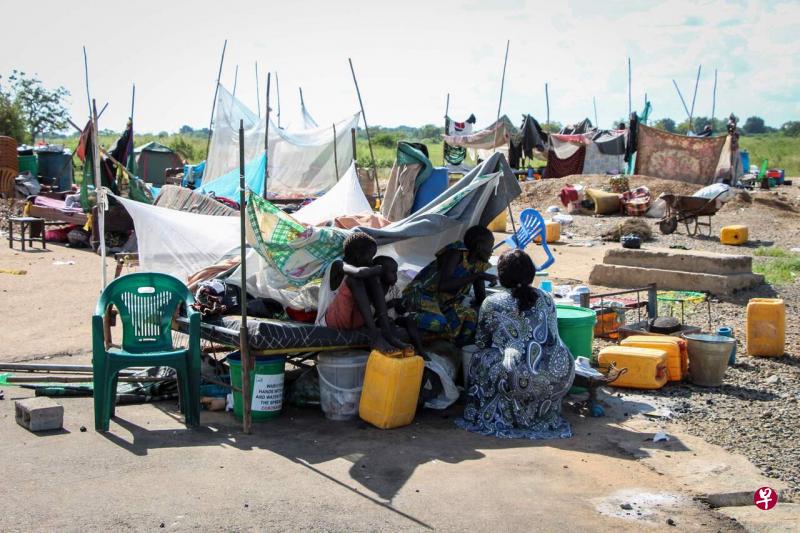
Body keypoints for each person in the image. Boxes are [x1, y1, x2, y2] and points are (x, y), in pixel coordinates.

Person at [457, 249, 574, 440]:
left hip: (521, 380)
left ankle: (501, 414)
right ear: (531, 273)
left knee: (481, 358)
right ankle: (540, 416)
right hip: (558, 375)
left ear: (502, 276)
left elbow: (481, 341)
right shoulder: (546, 298)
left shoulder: (492, 302)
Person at [400, 225, 496, 348]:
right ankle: (407, 319)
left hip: (444, 304)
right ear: (479, 246)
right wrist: (476, 276)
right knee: (440, 322)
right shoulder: (456, 253)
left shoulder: (479, 265)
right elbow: (444, 285)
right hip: (423, 294)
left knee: (471, 316)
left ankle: (456, 348)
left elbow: (481, 299)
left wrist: (482, 311)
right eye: (491, 246)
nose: (492, 251)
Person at [324, 233, 406, 351]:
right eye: (370, 256)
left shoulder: (364, 269)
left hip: (355, 321)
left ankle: (387, 333)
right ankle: (374, 335)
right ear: (358, 255)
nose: (371, 260)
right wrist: (377, 269)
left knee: (373, 278)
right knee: (355, 279)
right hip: (333, 321)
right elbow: (358, 273)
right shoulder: (337, 264)